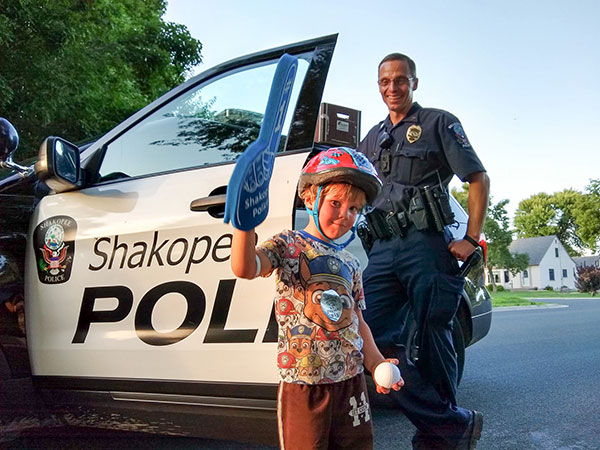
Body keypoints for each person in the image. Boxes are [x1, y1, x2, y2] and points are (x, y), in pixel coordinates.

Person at [230, 147, 404, 450]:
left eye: (354, 209)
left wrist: (376, 364)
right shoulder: (288, 244)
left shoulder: (351, 262)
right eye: (335, 203)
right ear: (310, 197)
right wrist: (245, 224)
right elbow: (245, 267)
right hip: (304, 384)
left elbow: (358, 322)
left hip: (351, 383)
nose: (345, 214)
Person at [357, 53, 490, 449]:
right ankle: (450, 424)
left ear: (414, 82)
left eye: (400, 80)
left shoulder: (438, 122)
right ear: (378, 85)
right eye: (385, 81)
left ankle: (438, 439)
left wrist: (470, 237)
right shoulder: (371, 137)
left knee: (434, 337)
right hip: (381, 249)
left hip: (427, 246)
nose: (392, 88)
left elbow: (477, 177)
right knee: (366, 337)